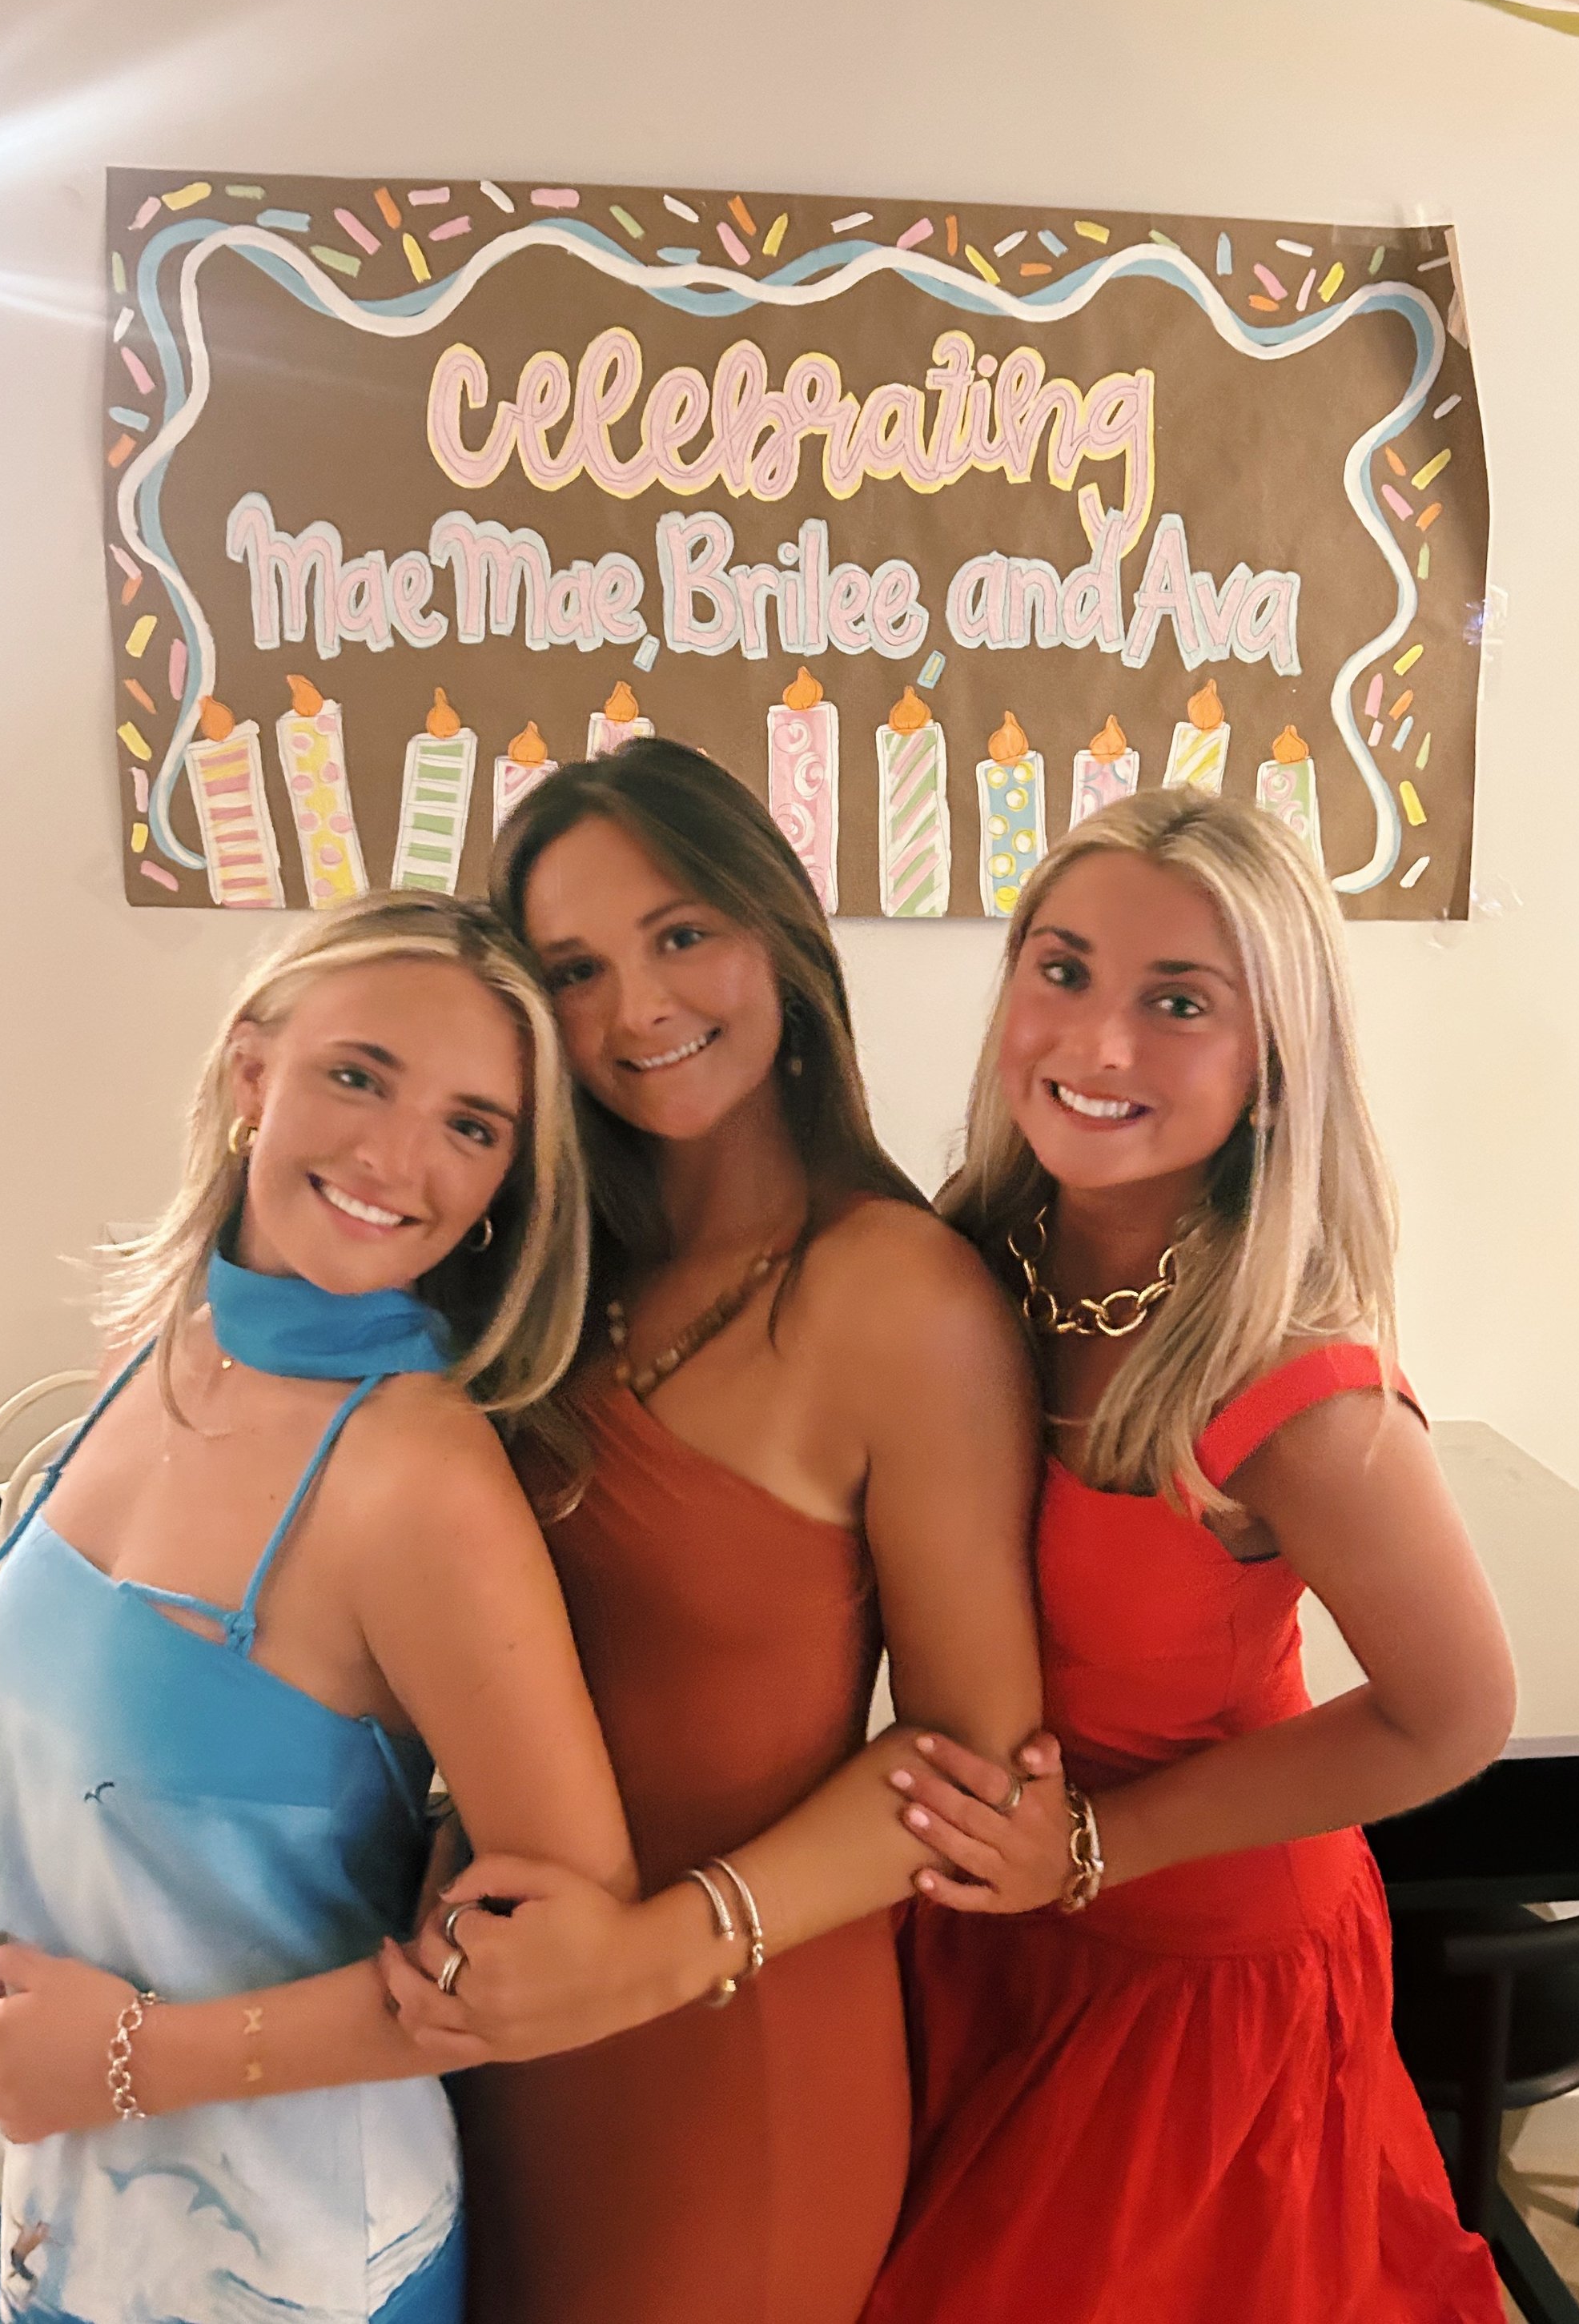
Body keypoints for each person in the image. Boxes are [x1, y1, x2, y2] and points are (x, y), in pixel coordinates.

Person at [378, 740, 1047, 2324]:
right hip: (488, 2035)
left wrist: (648, 1957)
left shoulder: (894, 1291)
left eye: (681, 933)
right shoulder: (537, 1268)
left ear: (778, 935)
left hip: (731, 2059)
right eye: (574, 967)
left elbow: (974, 1770)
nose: (636, 1006)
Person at [0, 893, 634, 2324]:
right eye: (358, 1073)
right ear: (255, 1074)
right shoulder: (163, 1341)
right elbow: (62, 1665)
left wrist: (129, 2060)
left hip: (275, 2255)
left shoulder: (419, 1478)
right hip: (52, 2200)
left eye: (471, 1125)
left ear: (510, 1181)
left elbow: (563, 1940)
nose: (393, 1156)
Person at [857, 788, 1517, 2324]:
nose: (1097, 1043)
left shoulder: (1294, 1387)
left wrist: (1088, 1850)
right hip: (982, 1935)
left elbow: (1457, 1710)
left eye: (1179, 1003)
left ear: (1274, 1067)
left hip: (1194, 1987)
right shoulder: (964, 1264)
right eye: (1063, 968)